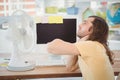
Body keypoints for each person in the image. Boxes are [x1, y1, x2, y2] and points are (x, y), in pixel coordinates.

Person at [47, 16, 115, 80]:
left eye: (84, 23)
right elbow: (70, 68)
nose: (79, 25)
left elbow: (51, 47)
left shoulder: (91, 46)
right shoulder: (95, 46)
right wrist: (80, 41)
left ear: (94, 29)